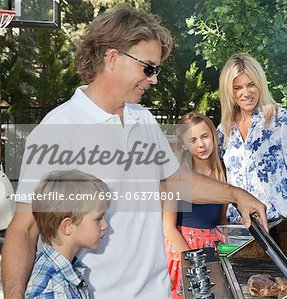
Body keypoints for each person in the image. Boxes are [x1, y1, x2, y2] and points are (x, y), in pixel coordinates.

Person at [1, 7, 267, 299]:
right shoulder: (58, 130)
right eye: (148, 68)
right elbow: (24, 230)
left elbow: (175, 181)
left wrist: (236, 194)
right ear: (112, 58)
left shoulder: (143, 119)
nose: (153, 79)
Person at [217, 53, 287, 223]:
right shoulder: (224, 130)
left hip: (277, 225)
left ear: (260, 84)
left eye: (251, 85)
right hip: (239, 227)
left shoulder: (282, 121)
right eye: (237, 87)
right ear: (229, 91)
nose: (245, 93)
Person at [163, 112, 227, 299]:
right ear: (184, 144)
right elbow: (168, 227)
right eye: (193, 140)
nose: (201, 144)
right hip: (184, 249)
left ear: (213, 136)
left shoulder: (222, 171)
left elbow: (222, 219)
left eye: (205, 136)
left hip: (213, 250)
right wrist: (192, 260)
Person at [25, 170, 110, 299]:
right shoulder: (55, 287)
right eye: (98, 219)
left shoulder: (63, 272)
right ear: (68, 226)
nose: (105, 225)